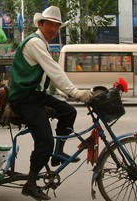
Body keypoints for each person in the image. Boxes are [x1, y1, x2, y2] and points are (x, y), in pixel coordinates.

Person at [8, 6, 93, 200]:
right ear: (40, 24)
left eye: (57, 26)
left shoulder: (42, 42)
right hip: (24, 99)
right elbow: (54, 71)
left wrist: (74, 93)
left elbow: (52, 74)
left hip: (35, 96)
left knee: (68, 112)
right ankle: (30, 184)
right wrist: (75, 92)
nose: (53, 30)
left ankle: (57, 154)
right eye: (50, 25)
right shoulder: (35, 43)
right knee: (44, 141)